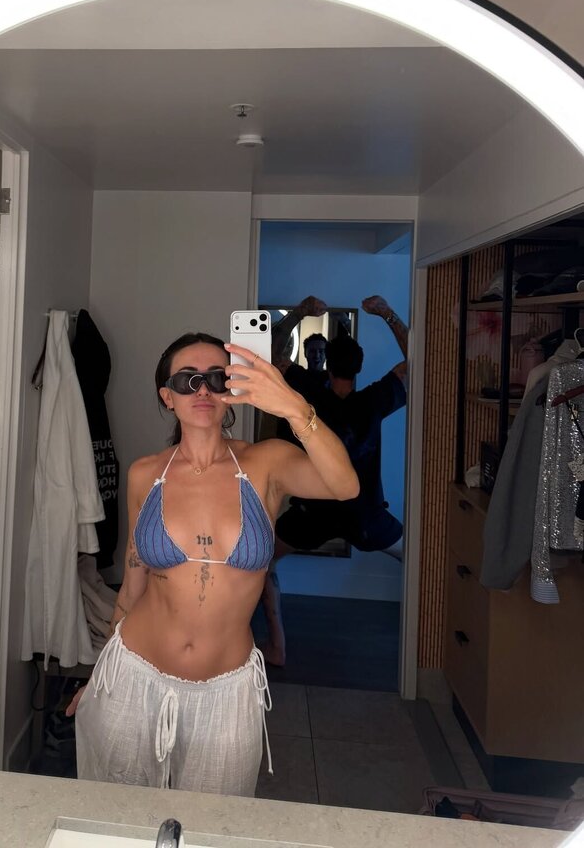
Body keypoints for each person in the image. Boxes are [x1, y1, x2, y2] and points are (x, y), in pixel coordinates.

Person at [66, 331, 358, 796]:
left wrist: (293, 407)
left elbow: (345, 486)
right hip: (131, 676)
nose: (202, 389)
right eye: (187, 380)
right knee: (117, 817)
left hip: (225, 692)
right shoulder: (146, 474)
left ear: (232, 389)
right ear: (168, 397)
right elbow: (133, 585)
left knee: (212, 824)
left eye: (217, 378)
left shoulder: (267, 463)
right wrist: (101, 675)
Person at [260, 295, 408, 667]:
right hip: (366, 515)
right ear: (358, 369)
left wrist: (298, 312)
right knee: (420, 558)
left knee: (262, 563)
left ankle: (277, 647)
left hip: (314, 514)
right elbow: (418, 361)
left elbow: (271, 354)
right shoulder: (374, 399)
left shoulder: (306, 392)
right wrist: (387, 314)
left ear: (327, 366)